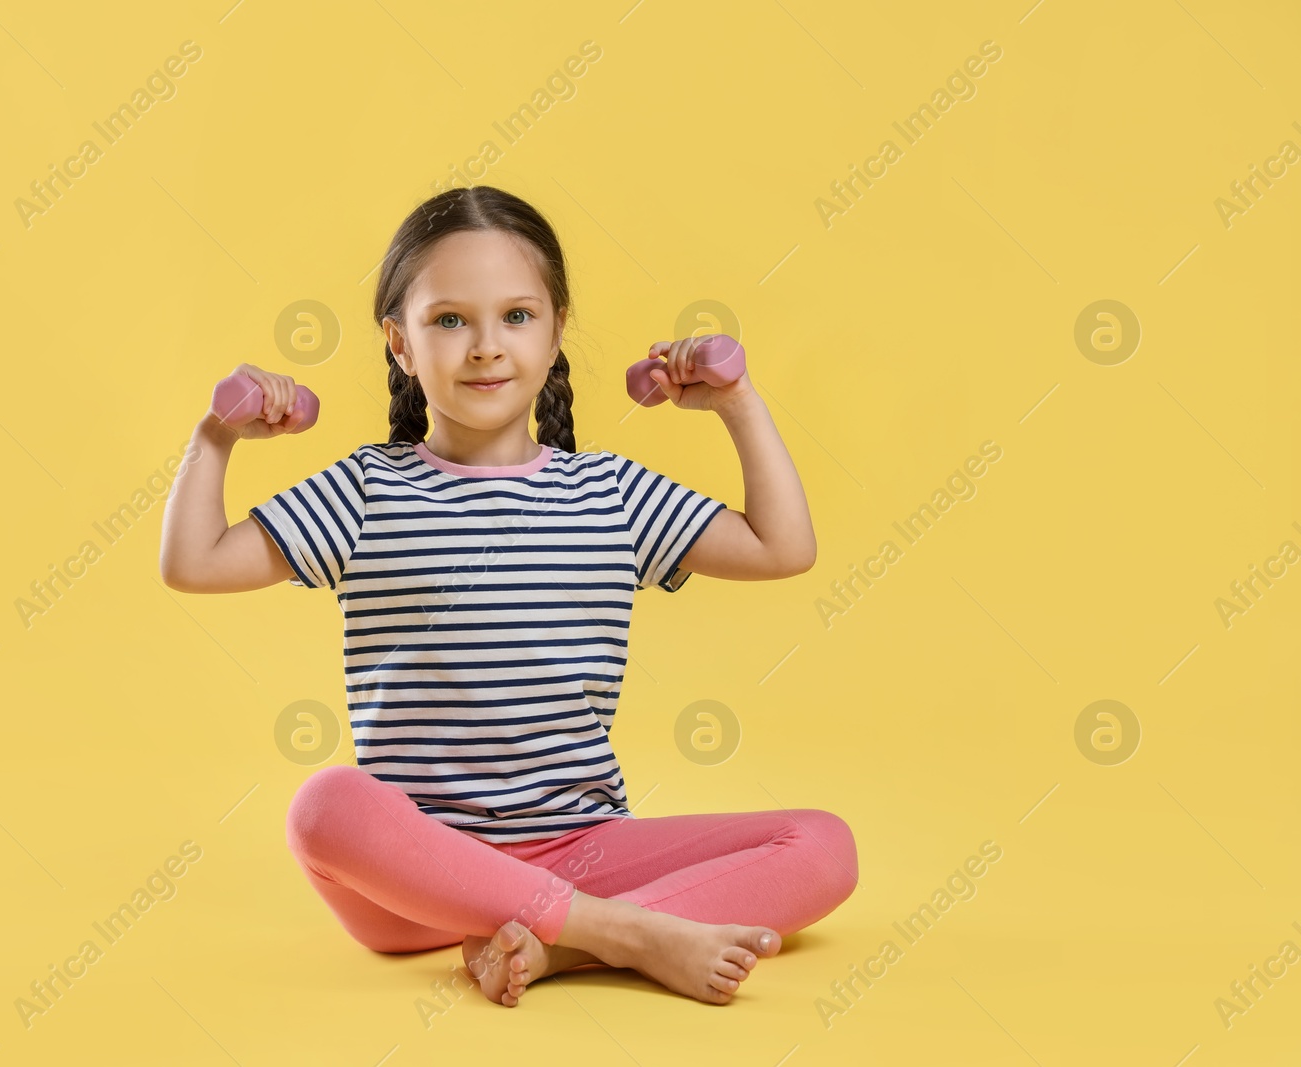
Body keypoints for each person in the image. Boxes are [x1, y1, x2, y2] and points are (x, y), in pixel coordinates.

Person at [159, 185, 857, 1008]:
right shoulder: (366, 490)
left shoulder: (609, 492)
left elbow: (785, 547)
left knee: (822, 846)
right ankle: (623, 934)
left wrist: (736, 402)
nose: (486, 347)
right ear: (400, 345)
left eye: (517, 317)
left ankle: (551, 947)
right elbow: (195, 561)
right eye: (449, 320)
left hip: (582, 849)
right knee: (323, 807)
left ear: (558, 330)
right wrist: (217, 436)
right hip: (415, 881)